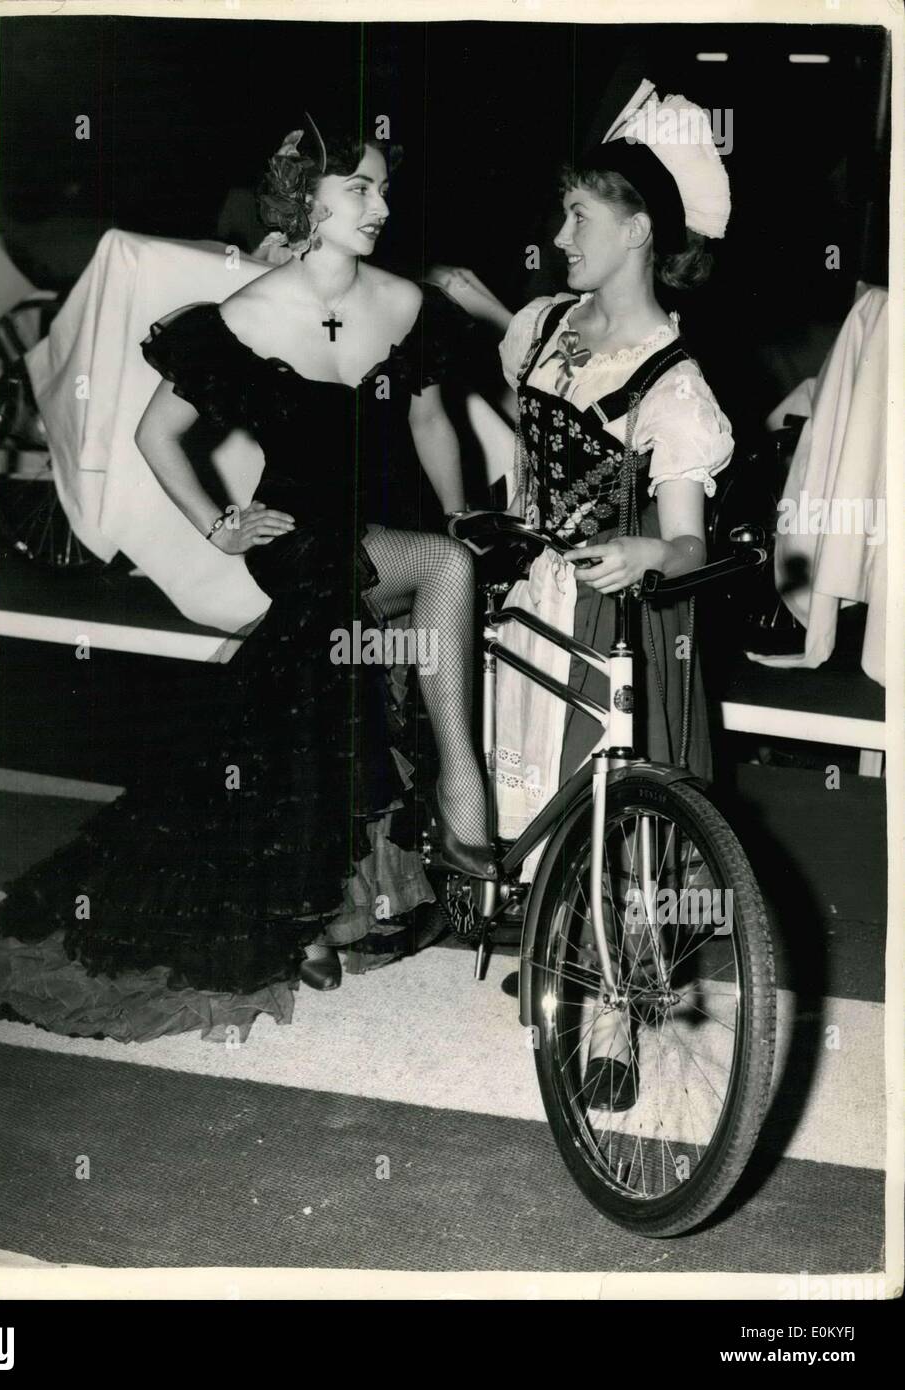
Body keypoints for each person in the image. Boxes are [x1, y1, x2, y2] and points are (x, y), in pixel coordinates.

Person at [0, 116, 495, 1042]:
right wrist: (220, 524)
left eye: (385, 189)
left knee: (311, 688)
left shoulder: (404, 302)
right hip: (300, 535)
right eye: (362, 189)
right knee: (443, 573)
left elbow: (431, 425)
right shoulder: (249, 315)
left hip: (388, 526)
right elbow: (154, 435)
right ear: (309, 201)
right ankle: (465, 794)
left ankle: (290, 908)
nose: (382, 206)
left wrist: (466, 511)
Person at [441, 83, 735, 1107]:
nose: (558, 232)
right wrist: (474, 300)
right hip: (528, 591)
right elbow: (515, 360)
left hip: (614, 613)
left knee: (615, 810)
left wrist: (640, 552)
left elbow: (690, 538)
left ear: (640, 229)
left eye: (580, 215)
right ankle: (557, 937)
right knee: (534, 792)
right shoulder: (549, 324)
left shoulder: (673, 386)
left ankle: (611, 1012)